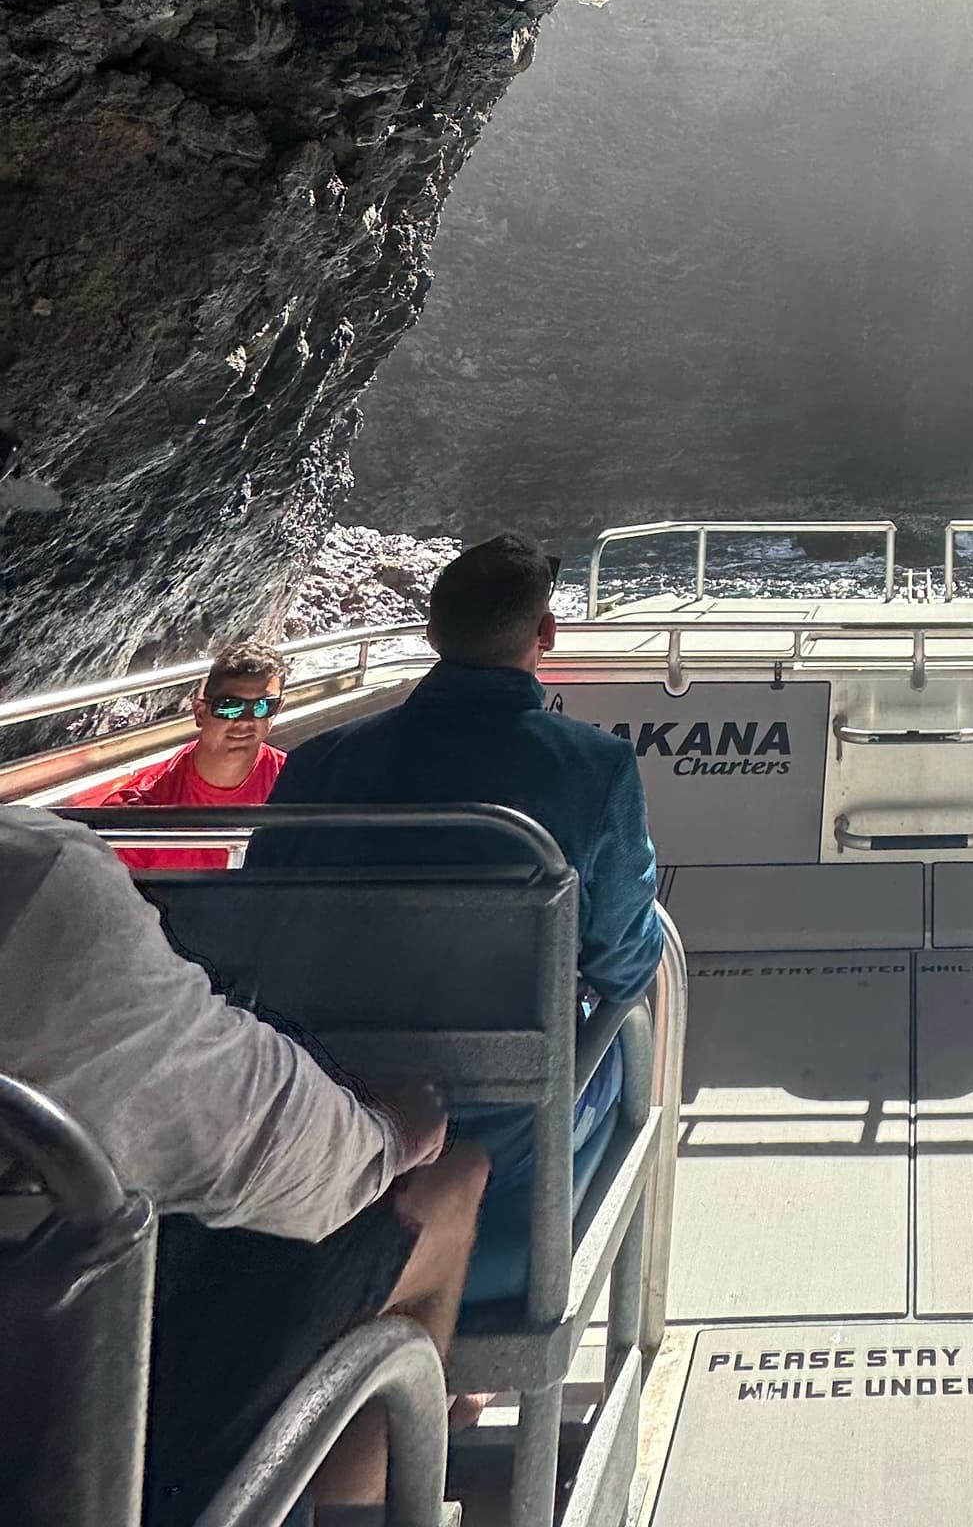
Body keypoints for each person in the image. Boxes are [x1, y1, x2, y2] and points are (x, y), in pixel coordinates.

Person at [0, 801, 487, 1524]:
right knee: (449, 1181)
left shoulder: (320, 774)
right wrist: (394, 1133)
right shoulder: (37, 885)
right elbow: (304, 1166)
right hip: (61, 1445)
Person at [259, 532, 662, 1292]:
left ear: (432, 635)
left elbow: (264, 940)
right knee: (628, 1037)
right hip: (506, 1136)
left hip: (330, 1116)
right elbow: (623, 958)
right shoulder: (594, 767)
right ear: (545, 635)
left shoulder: (319, 764)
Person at [96, 636, 287, 871]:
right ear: (199, 713)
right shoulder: (140, 809)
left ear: (278, 709)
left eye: (263, 706)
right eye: (229, 706)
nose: (245, 721)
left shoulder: (298, 784)